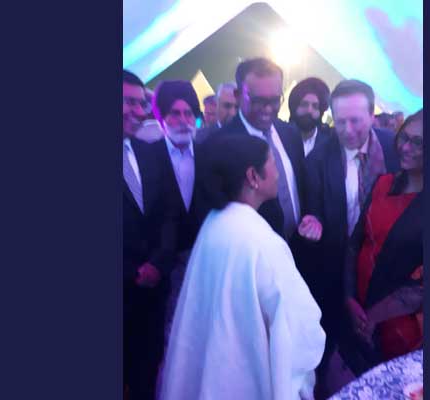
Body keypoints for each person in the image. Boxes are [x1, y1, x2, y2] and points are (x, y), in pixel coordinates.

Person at [157, 135, 326, 400]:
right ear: (253, 176)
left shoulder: (215, 222)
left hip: (217, 371)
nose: (278, 174)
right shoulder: (262, 241)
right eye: (273, 163)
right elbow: (299, 327)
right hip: (245, 380)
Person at [303, 79, 400, 391]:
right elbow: (314, 207)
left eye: (356, 120)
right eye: (339, 121)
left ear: (372, 115)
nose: (347, 130)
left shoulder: (395, 149)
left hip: (387, 266)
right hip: (336, 266)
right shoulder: (319, 158)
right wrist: (313, 221)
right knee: (336, 340)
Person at [342, 109, 424, 375]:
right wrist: (349, 298)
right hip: (358, 309)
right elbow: (355, 242)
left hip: (399, 327)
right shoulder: (383, 183)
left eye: (419, 143)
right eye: (404, 138)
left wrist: (373, 318)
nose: (406, 148)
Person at [210, 57, 322, 244]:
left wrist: (313, 217)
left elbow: (302, 186)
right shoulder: (218, 146)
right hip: (256, 252)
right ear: (238, 95)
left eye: (275, 100)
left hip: (300, 246)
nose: (268, 108)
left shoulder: (291, 133)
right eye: (258, 100)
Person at [122, 70, 180, 400]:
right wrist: (132, 273)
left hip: (152, 294)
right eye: (128, 102)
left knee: (146, 374)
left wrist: (158, 263)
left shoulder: (149, 152)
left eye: (140, 103)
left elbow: (168, 215)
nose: (137, 110)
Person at [151, 79, 210, 338]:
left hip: (202, 260)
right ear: (161, 117)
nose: (184, 121)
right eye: (175, 113)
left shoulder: (209, 155)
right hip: (161, 266)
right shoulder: (148, 156)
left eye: (188, 113)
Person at [288, 77, 333, 157]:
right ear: (294, 107)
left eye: (315, 106)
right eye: (304, 104)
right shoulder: (279, 136)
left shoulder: (330, 144)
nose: (309, 110)